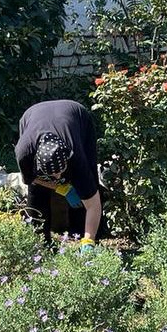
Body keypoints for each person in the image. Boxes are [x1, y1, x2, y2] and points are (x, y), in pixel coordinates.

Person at [14, 100, 102, 250]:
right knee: (36, 191)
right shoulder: (24, 153)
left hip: (76, 114)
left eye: (60, 172)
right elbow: (30, 178)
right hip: (32, 115)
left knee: (86, 182)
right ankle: (40, 242)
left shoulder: (76, 155)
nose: (57, 177)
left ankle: (85, 233)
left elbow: (93, 203)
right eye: (51, 174)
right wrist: (62, 188)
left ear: (68, 159)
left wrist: (89, 241)